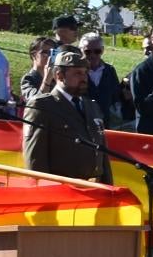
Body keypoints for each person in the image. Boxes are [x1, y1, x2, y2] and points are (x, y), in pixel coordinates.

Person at [20, 45, 114, 183]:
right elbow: (35, 159)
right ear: (59, 75)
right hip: (63, 189)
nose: (84, 78)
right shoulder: (42, 106)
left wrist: (108, 187)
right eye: (77, 73)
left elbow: (102, 154)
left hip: (95, 189)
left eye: (85, 73)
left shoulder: (91, 106)